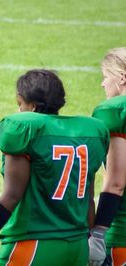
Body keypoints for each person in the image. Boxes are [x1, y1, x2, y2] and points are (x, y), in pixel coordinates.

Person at [0, 70, 110, 265]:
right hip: (78, 245)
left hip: (34, 243)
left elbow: (11, 196)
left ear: (32, 106)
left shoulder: (25, 129)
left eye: (20, 105)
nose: (19, 111)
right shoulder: (91, 133)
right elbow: (89, 200)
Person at [88, 47, 126, 266]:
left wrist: (99, 232)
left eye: (106, 77)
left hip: (121, 233)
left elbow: (116, 182)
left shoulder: (114, 110)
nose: (103, 83)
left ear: (121, 77)